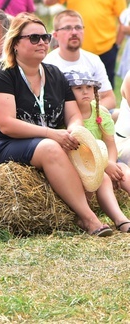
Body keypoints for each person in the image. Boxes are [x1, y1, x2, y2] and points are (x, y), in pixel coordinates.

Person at [0, 13, 113, 236]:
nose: (43, 43)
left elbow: (74, 115)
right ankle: (87, 218)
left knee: (78, 149)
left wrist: (73, 131)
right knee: (50, 148)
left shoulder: (55, 74)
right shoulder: (0, 74)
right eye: (34, 38)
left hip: (42, 143)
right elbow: (6, 124)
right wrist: (52, 134)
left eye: (45, 37)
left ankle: (118, 217)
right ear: (16, 43)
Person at [43, 0, 126, 88]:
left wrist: (116, 46)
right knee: (75, 92)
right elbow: (48, 1)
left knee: (104, 93)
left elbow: (123, 20)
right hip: (75, 51)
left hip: (105, 50)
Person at [64, 70, 130, 233]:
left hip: (106, 160)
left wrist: (112, 163)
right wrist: (104, 165)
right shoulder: (66, 115)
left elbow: (110, 143)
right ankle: (120, 220)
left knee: (125, 173)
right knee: (104, 178)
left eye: (89, 87)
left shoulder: (101, 113)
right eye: (78, 88)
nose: (85, 91)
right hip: (81, 165)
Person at [44, 10, 115, 110]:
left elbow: (110, 98)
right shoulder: (47, 64)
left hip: (93, 115)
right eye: (67, 28)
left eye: (78, 27)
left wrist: (89, 114)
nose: (74, 32)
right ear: (55, 35)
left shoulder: (93, 60)